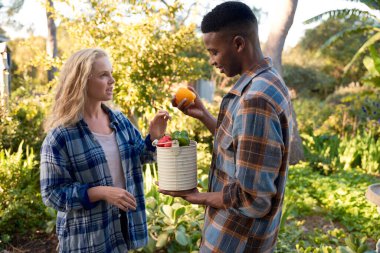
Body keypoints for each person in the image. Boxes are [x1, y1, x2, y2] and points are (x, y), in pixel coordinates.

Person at [159, 2, 293, 252]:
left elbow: (253, 200)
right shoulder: (270, 81)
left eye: (214, 52)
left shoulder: (255, 99)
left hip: (236, 240)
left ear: (239, 44)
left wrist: (198, 197)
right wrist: (204, 116)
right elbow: (244, 149)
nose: (212, 61)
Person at [40, 48, 170, 252]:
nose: (112, 80)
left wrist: (153, 137)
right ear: (82, 80)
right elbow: (52, 194)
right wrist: (99, 192)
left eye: (111, 73)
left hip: (122, 229)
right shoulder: (60, 136)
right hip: (87, 238)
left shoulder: (119, 121)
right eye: (103, 75)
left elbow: (138, 157)